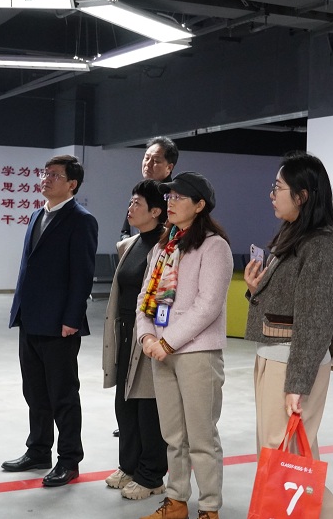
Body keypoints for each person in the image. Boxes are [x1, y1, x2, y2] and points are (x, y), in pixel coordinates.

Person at [243, 151, 333, 518]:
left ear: (302, 196)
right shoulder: (295, 236)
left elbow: (316, 320)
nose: (272, 195)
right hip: (277, 357)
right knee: (291, 454)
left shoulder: (320, 245)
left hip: (292, 362)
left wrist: (297, 383)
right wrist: (255, 289)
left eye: (278, 188)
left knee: (283, 454)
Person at [137, 172, 233, 519]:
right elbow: (145, 299)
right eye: (169, 197)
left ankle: (209, 508)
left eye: (179, 197)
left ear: (200, 205)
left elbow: (208, 306)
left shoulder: (214, 247)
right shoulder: (164, 246)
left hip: (196, 353)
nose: (171, 203)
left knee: (202, 437)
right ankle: (176, 501)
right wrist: (147, 337)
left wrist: (167, 342)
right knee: (173, 436)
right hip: (160, 352)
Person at [3, 155, 99, 487]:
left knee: (63, 395)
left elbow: (82, 274)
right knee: (35, 391)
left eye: (55, 175)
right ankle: (38, 450)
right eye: (45, 173)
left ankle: (69, 460)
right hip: (30, 318)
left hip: (60, 324)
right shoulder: (37, 215)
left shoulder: (81, 220)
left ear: (72, 184)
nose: (46, 178)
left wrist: (72, 318)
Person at [102, 180, 169, 500]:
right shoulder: (130, 245)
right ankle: (128, 465)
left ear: (155, 212)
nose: (130, 208)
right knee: (125, 402)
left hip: (150, 334)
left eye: (137, 203)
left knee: (148, 406)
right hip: (126, 330)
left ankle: (151, 475)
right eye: (130, 202)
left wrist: (154, 336)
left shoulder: (167, 247)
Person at [120, 136, 178, 240]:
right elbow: (126, 231)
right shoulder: (140, 191)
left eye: (156, 161)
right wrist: (128, 243)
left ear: (169, 167)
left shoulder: (174, 196)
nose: (148, 164)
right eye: (146, 158)